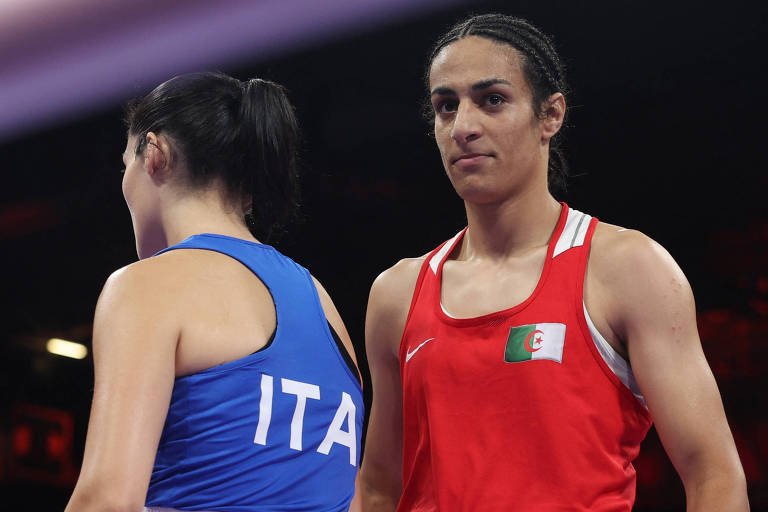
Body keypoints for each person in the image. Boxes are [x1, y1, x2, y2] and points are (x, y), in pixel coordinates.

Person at [360, 14, 748, 511]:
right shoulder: (396, 294)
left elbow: (713, 475)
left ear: (551, 115)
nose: (464, 127)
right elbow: (378, 490)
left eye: (492, 100)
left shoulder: (626, 268)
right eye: (446, 106)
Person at [65, 72, 363, 512]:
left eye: (125, 163)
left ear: (154, 154)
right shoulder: (323, 303)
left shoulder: (146, 286)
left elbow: (107, 500)